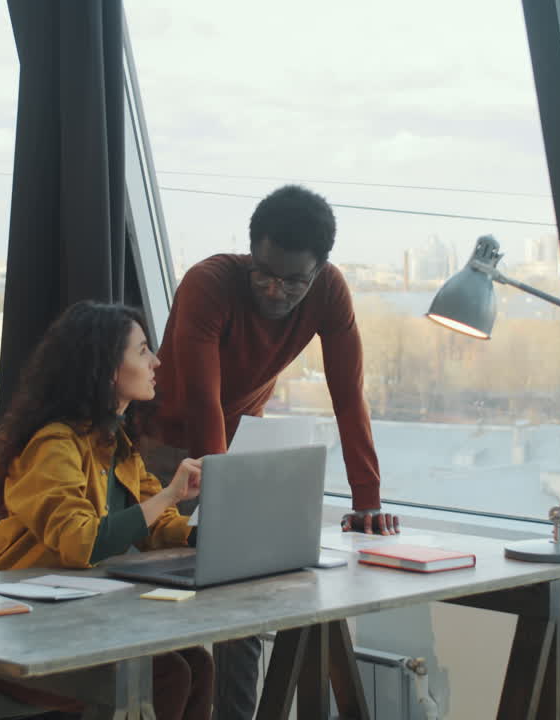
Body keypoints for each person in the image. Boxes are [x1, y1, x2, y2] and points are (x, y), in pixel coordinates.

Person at [144, 184, 400, 720]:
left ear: (319, 270)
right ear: (250, 251)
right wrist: (223, 492)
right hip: (161, 450)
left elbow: (348, 395)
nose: (274, 290)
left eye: (293, 281)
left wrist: (368, 499)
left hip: (238, 448)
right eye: (263, 272)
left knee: (249, 595)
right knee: (159, 597)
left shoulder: (329, 292)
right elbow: (202, 400)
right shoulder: (210, 283)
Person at [0, 301, 212, 720]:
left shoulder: (113, 442)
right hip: (20, 631)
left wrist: (208, 533)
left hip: (81, 619)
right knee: (167, 674)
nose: (156, 361)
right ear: (108, 368)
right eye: (143, 351)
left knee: (195, 663)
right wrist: (168, 495)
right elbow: (83, 542)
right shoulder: (53, 444)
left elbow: (155, 526)